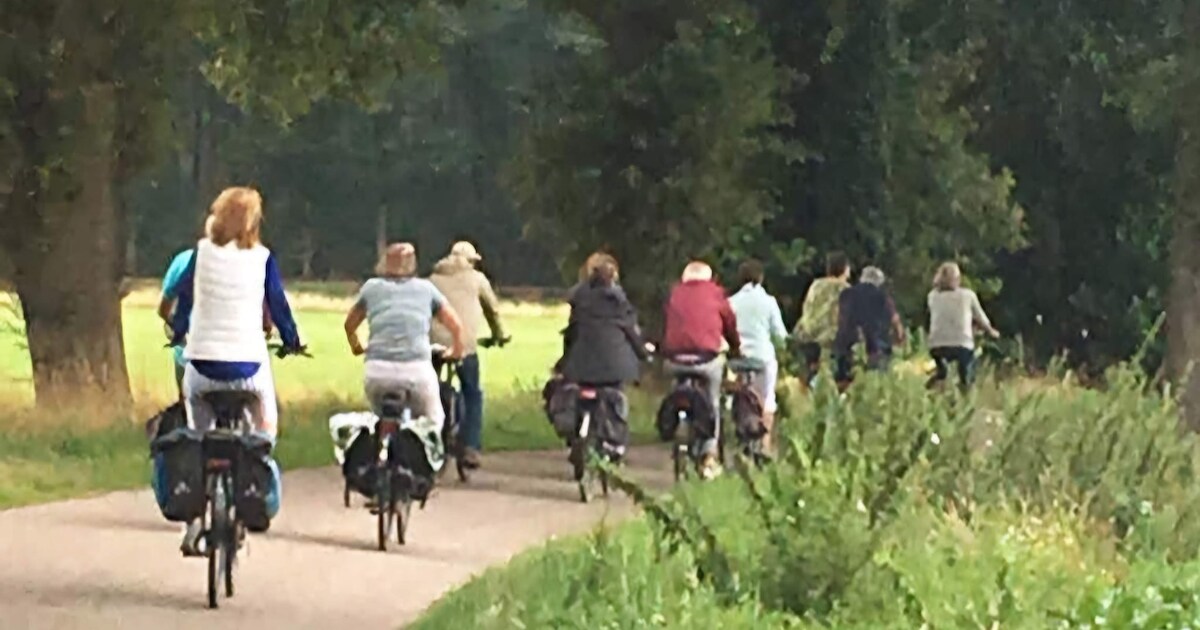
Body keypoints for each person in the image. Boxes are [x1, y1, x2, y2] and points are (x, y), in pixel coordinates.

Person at [168, 186, 305, 554]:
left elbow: (184, 299)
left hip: (201, 366)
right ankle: (253, 491)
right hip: (248, 368)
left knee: (198, 434)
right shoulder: (262, 258)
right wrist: (292, 341)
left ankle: (194, 524)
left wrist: (179, 332)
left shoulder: (201, 253)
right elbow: (277, 306)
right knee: (263, 434)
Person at [344, 243, 466, 432]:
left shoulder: (371, 288)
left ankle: (379, 450)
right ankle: (428, 457)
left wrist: (357, 346)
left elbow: (350, 325)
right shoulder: (426, 289)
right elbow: (456, 326)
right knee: (434, 418)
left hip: (377, 371)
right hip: (416, 370)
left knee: (379, 416)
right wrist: (456, 350)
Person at [558, 255, 648, 458]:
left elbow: (571, 333)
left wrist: (565, 361)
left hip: (580, 364)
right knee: (617, 398)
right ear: (613, 277)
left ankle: (576, 438)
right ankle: (616, 444)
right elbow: (631, 332)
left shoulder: (580, 299)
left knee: (578, 393)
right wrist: (643, 354)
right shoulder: (618, 301)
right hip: (612, 367)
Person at [429, 240, 507, 468]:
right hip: (463, 345)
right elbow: (493, 310)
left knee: (427, 389)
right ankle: (470, 446)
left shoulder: (432, 280)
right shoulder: (477, 279)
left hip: (433, 345)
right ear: (470, 262)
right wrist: (499, 335)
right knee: (472, 392)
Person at [661, 261, 741, 479]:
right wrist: (735, 347)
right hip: (706, 358)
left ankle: (674, 419)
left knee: (674, 387)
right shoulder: (716, 294)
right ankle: (709, 456)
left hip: (674, 358)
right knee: (712, 400)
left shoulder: (674, 294)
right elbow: (729, 324)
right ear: (709, 278)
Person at [727, 259, 787, 453]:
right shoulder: (769, 302)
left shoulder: (731, 302)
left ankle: (733, 437)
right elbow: (780, 335)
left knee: (732, 395)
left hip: (738, 358)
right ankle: (765, 446)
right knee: (767, 399)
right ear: (761, 278)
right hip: (762, 357)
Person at [927, 262, 999, 389]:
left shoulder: (932, 296)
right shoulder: (968, 295)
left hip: (936, 344)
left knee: (942, 370)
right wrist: (991, 331)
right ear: (957, 279)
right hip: (962, 343)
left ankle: (934, 382)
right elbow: (980, 317)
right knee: (966, 368)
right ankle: (965, 390)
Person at [832, 266, 906, 389]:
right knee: (876, 384)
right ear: (879, 282)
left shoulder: (846, 294)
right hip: (876, 347)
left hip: (846, 345)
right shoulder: (882, 296)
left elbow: (837, 318)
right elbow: (895, 320)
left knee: (844, 383)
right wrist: (900, 337)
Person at [795, 252, 852, 384]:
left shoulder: (815, 286)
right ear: (845, 269)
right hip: (832, 342)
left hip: (808, 339)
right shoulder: (845, 289)